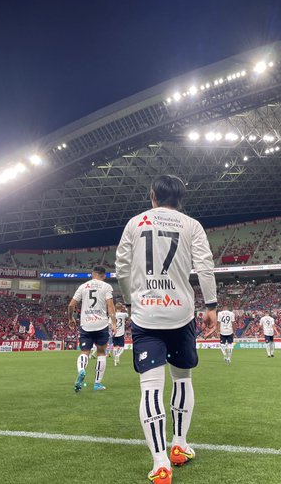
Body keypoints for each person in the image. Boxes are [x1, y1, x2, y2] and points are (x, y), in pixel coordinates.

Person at [115, 175, 217, 484]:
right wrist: (211, 305)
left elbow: (121, 268)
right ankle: (179, 445)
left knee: (150, 388)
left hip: (146, 314)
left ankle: (160, 463)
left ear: (153, 196)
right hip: (180, 314)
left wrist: (129, 299)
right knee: (182, 379)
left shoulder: (135, 223)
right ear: (181, 199)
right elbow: (205, 266)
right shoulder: (191, 225)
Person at [68, 266, 116, 392]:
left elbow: (71, 305)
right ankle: (97, 384)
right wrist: (114, 323)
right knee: (101, 352)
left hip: (86, 325)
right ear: (104, 276)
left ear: (92, 274)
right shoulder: (106, 286)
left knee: (84, 352)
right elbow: (110, 306)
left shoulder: (83, 286)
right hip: (101, 324)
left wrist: (70, 318)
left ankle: (81, 370)